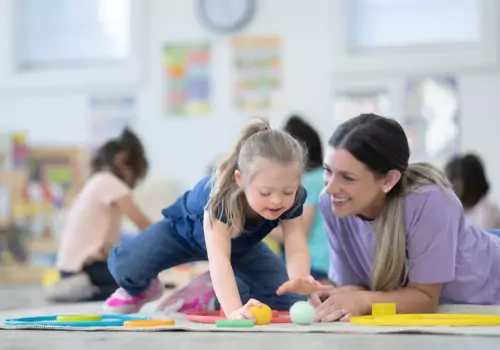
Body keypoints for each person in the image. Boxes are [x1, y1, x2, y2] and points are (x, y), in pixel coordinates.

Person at [278, 113, 500, 322]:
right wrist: (335, 296)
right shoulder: (331, 202)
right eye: (328, 170)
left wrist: (362, 301)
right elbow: (355, 286)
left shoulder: (430, 201)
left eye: (348, 177)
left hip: (488, 290)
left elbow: (425, 299)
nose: (331, 187)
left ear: (388, 180)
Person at [104, 119, 325, 319]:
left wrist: (299, 278)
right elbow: (219, 258)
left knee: (288, 299)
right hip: (183, 233)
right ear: (241, 179)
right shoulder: (220, 193)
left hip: (241, 244)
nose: (277, 201)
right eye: (266, 193)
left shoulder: (295, 197)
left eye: (287, 192)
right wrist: (234, 312)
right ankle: (144, 290)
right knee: (123, 267)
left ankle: (208, 290)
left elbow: (295, 244)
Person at [46, 128, 152, 302]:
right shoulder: (110, 182)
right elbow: (143, 223)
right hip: (83, 269)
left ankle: (88, 289)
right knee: (139, 283)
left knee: (133, 279)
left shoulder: (98, 181)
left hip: (72, 268)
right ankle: (88, 290)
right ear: (123, 160)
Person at [270, 115, 329, 281]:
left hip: (314, 264)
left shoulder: (308, 182)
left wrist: (260, 229)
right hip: (326, 263)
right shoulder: (323, 177)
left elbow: (300, 232)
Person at [444, 153, 500, 230]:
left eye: (453, 179)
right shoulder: (461, 210)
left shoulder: (486, 212)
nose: (450, 186)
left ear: (471, 181)